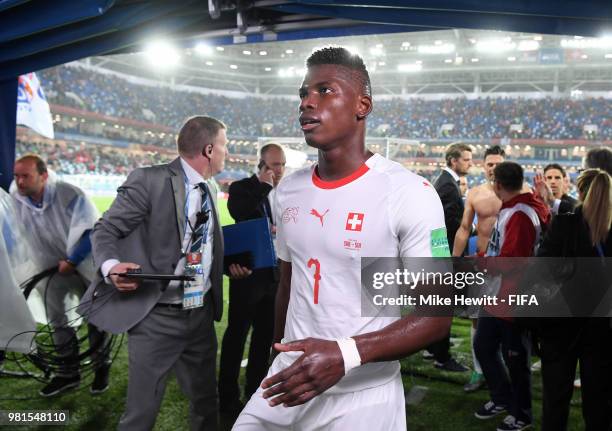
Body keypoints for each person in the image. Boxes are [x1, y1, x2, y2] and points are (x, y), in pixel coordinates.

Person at [232, 47, 451, 430]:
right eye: (303, 93)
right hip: (288, 381)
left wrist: (344, 355)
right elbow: (289, 281)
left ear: (362, 105)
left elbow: (435, 317)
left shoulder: (408, 192)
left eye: (324, 91)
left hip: (362, 395)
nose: (306, 103)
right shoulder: (288, 191)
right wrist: (277, 352)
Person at [79, 116, 248, 431]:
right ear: (210, 149)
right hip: (156, 317)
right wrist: (110, 266)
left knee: (205, 403)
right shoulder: (150, 180)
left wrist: (228, 267)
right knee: (141, 412)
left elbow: (201, 248)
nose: (229, 153)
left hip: (199, 314)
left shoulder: (208, 187)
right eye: (226, 146)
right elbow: (105, 230)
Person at [10, 154, 110, 397]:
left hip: (85, 263)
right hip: (50, 267)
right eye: (16, 176)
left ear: (43, 176)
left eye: (26, 176)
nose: (20, 181)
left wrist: (73, 260)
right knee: (57, 319)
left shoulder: (70, 194)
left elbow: (91, 229)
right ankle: (68, 374)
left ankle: (101, 367)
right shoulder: (15, 197)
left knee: (96, 316)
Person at [474, 162, 550, 431]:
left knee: (516, 359)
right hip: (497, 295)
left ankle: (522, 413)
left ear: (497, 185)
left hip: (513, 297)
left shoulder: (519, 212)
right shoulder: (520, 206)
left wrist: (480, 262)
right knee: (483, 346)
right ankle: (502, 398)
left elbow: (513, 261)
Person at [537, 168, 612, 431]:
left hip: (561, 325)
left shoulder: (565, 222)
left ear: (579, 190)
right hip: (602, 328)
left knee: (555, 401)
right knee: (599, 401)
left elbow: (541, 270)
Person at [218, 143, 286, 420]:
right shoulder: (242, 187)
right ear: (260, 166)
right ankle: (227, 397)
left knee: (264, 340)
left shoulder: (286, 192)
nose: (278, 170)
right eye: (272, 165)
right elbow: (240, 213)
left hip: (274, 276)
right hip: (246, 274)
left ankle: (255, 394)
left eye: (281, 165)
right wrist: (263, 186)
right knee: (236, 336)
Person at [453, 145, 505, 391]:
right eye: (490, 164)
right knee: (476, 319)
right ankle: (479, 371)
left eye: (498, 164)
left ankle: (502, 372)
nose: (494, 168)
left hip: (507, 269)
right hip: (479, 265)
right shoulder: (474, 193)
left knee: (505, 322)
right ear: (484, 166)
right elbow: (464, 229)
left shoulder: (520, 193)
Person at [427, 142, 473, 372]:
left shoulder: (446, 182)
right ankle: (442, 357)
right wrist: (470, 229)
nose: (470, 163)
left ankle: (433, 348)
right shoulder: (447, 185)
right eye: (466, 159)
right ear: (453, 160)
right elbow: (447, 224)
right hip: (443, 254)